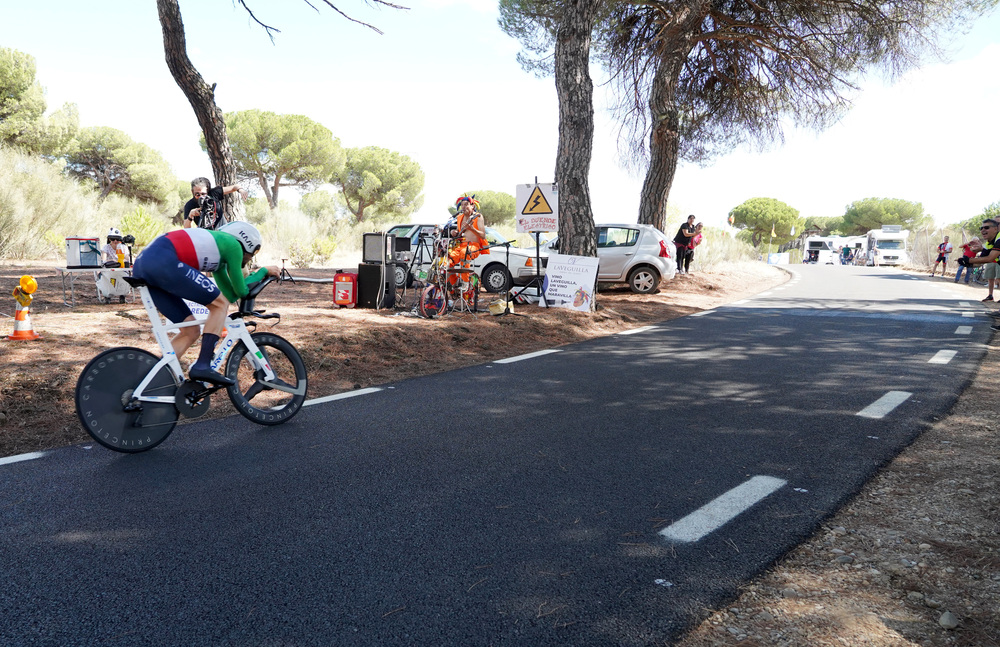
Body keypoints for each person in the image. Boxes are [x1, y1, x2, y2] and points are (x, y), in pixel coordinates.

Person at [131, 221, 279, 385]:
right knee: (219, 305)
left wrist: (247, 281)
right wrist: (263, 271)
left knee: (191, 330)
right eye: (252, 255)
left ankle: (150, 381)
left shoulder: (217, 257)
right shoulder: (233, 246)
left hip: (145, 263)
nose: (249, 260)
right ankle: (203, 365)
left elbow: (230, 296)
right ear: (247, 244)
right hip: (163, 261)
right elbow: (242, 292)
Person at [958, 219, 1000, 307]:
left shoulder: (999, 239)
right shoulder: (990, 243)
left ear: (996, 229)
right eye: (981, 228)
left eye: (986, 227)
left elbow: (990, 258)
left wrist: (968, 260)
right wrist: (966, 263)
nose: (983, 230)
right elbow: (981, 260)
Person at [182, 177, 248, 231]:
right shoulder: (189, 205)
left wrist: (241, 190)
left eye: (203, 194)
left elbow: (234, 187)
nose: (201, 197)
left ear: (208, 191)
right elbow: (186, 228)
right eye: (197, 194)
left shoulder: (214, 193)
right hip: (205, 234)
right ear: (192, 192)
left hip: (223, 231)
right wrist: (190, 216)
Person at [449, 195, 490, 269]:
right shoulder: (459, 218)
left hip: (473, 246)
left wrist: (472, 229)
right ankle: (453, 280)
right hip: (461, 246)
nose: (463, 207)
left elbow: (483, 236)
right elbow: (458, 233)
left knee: (464, 253)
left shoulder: (478, 217)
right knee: (448, 262)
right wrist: (453, 232)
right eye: (462, 205)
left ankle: (465, 280)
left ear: (472, 206)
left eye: (466, 204)